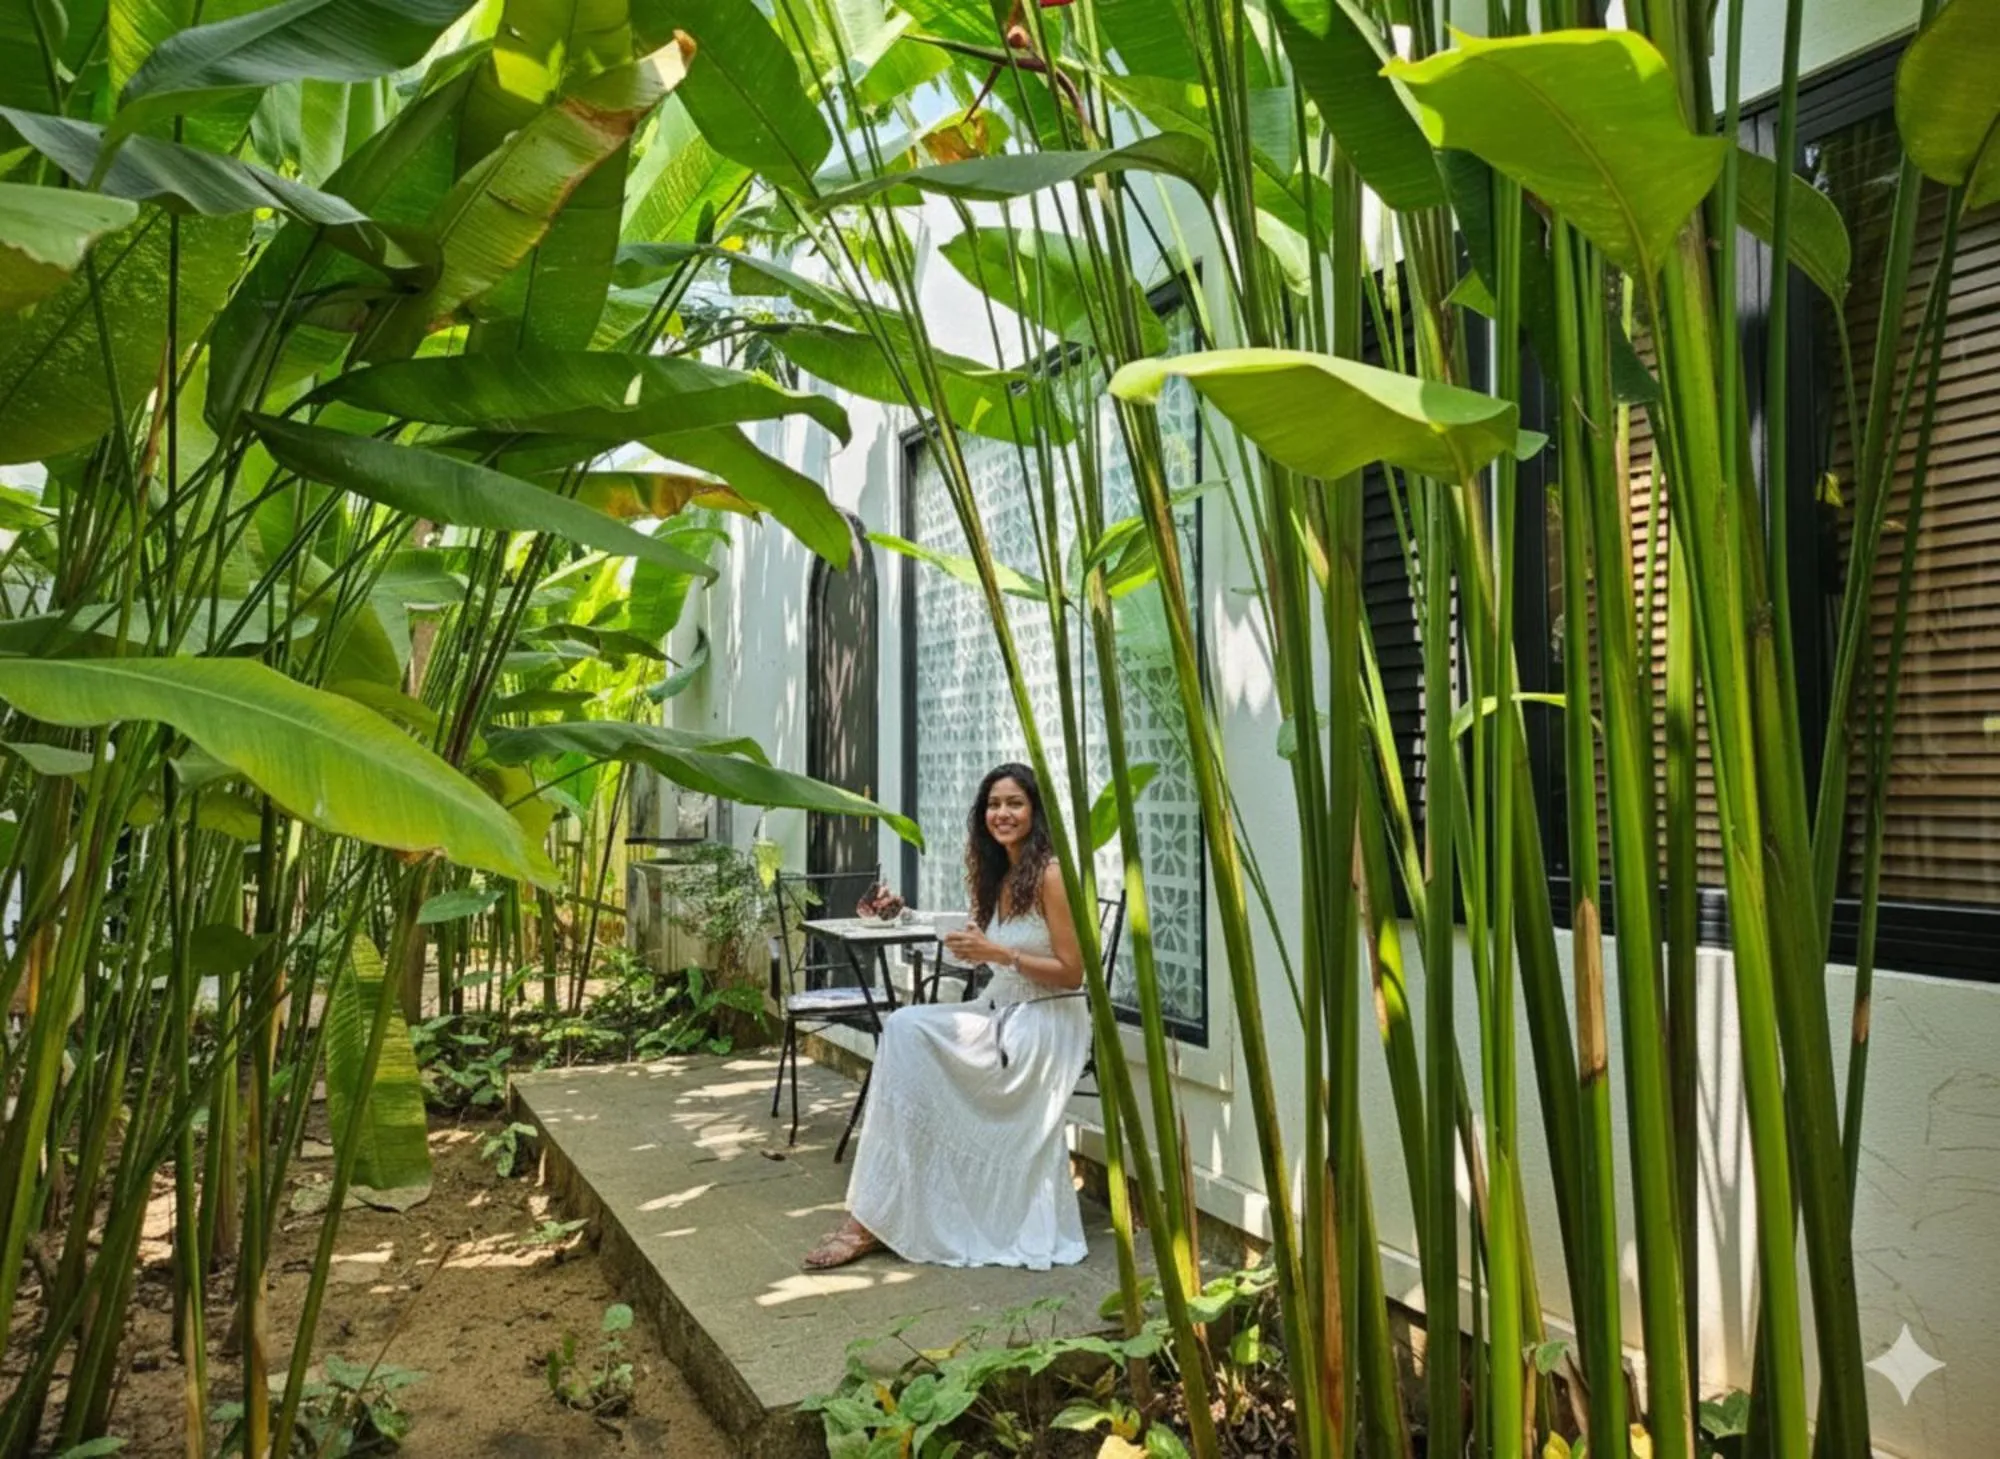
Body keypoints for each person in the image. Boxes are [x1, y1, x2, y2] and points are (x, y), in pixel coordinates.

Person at [801, 762, 1093, 1271]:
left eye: (1014, 804)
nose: (1002, 814)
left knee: (909, 1034)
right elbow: (988, 948)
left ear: (1036, 811)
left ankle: (877, 1218)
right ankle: (884, 1210)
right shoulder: (1003, 873)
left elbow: (1072, 973)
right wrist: (910, 919)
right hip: (1001, 1009)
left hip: (1045, 1022)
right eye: (993, 805)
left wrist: (999, 955)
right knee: (904, 1028)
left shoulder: (1050, 873)